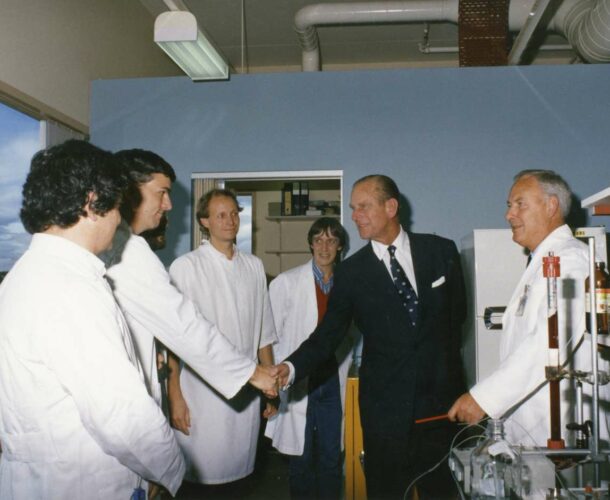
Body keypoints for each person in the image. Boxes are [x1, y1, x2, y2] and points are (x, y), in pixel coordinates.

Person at [0, 140, 184, 499]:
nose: (118, 220)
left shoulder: (20, 278)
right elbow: (122, 414)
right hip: (85, 482)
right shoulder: (70, 286)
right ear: (91, 203)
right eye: (116, 207)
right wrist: (170, 471)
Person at [277, 174, 467, 499]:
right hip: (384, 409)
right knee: (386, 491)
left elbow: (457, 318)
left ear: (390, 207)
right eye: (353, 208)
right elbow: (327, 336)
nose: (354, 216)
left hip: (439, 405)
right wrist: (290, 368)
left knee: (442, 490)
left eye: (363, 207)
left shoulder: (441, 251)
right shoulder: (351, 273)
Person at [101, 149, 278, 413]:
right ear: (131, 191)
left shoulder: (118, 246)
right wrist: (251, 373)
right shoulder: (130, 251)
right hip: (139, 401)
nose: (169, 205)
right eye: (161, 193)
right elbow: (183, 325)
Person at [448, 170, 610, 449]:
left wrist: (484, 398)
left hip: (563, 427)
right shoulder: (544, 260)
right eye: (509, 205)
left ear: (551, 206)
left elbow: (549, 342)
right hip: (534, 424)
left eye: (520, 204)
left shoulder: (572, 260)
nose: (509, 215)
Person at [165, 188, 277, 490]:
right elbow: (173, 340)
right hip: (201, 395)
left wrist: (272, 387)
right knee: (201, 479)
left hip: (247, 392)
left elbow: (263, 330)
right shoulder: (186, 267)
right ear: (205, 221)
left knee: (240, 479)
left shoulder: (253, 266)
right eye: (221, 215)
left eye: (234, 214)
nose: (230, 221)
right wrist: (175, 396)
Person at [265, 217, 352, 499]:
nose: (324, 246)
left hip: (332, 380)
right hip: (298, 379)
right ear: (310, 244)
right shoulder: (286, 283)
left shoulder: (349, 285)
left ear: (340, 247)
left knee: (330, 456)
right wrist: (272, 389)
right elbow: (270, 337)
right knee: (300, 458)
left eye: (331, 240)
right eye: (318, 240)